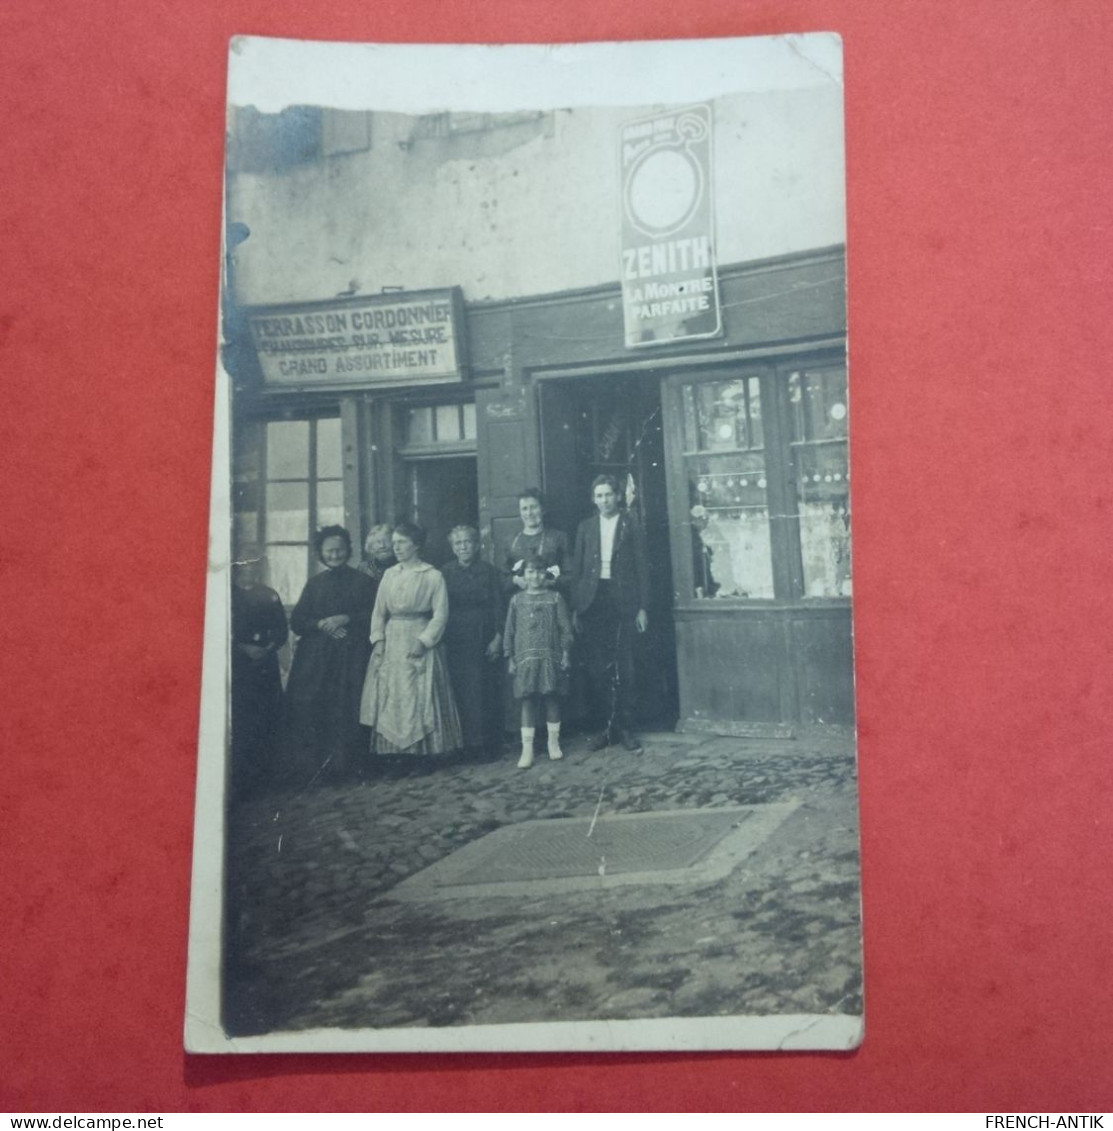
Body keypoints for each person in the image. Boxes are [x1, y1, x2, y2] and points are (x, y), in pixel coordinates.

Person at [276, 526, 375, 787]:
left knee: (347, 709)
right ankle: (314, 769)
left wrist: (347, 618)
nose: (335, 554)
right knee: (312, 708)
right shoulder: (314, 584)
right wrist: (320, 624)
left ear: (348, 550)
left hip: (350, 658)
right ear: (321, 553)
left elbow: (375, 616)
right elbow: (297, 621)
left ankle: (349, 767)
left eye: (340, 549)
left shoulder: (364, 582)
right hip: (316, 661)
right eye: (329, 550)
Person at [360, 522, 463, 763]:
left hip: (418, 636)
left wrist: (424, 641)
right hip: (393, 638)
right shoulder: (389, 574)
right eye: (393, 543)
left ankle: (423, 756)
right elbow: (378, 612)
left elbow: (440, 614)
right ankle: (396, 756)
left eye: (401, 542)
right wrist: (378, 640)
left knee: (418, 695)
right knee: (393, 696)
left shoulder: (432, 575)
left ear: (416, 545)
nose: (395, 547)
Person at [570, 474, 650, 753]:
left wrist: (642, 607)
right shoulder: (585, 527)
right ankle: (605, 728)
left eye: (608, 495)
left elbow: (642, 567)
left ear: (617, 496)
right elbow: (577, 571)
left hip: (623, 601)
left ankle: (625, 727)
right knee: (597, 668)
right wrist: (577, 608)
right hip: (593, 602)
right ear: (594, 499)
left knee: (624, 667)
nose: (604, 500)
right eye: (599, 496)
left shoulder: (630, 523)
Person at [503, 551, 574, 769]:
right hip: (525, 658)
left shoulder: (555, 598)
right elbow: (510, 630)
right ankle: (527, 749)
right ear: (523, 575)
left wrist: (565, 653)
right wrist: (510, 657)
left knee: (552, 697)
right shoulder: (516, 600)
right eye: (531, 572)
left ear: (547, 574)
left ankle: (553, 742)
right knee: (527, 700)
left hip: (550, 656)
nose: (535, 577)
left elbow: (565, 629)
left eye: (540, 572)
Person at [441, 525, 505, 760]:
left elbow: (499, 606)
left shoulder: (489, 572)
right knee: (460, 691)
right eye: (458, 544)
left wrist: (498, 638)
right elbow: (440, 607)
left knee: (484, 691)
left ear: (477, 545)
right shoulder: (445, 572)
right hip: (456, 637)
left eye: (467, 542)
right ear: (453, 548)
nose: (463, 547)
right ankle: (464, 745)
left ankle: (486, 746)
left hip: (483, 635)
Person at [230, 550, 288, 799]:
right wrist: (243, 648)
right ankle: (242, 779)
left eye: (253, 566)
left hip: (265, 666)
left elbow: (281, 631)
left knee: (268, 717)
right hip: (238, 667)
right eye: (243, 567)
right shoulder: (227, 595)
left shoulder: (269, 595)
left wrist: (267, 649)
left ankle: (268, 778)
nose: (248, 571)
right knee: (243, 719)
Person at [501, 488, 570, 597]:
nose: (529, 513)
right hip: (520, 601)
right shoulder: (510, 541)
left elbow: (570, 574)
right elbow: (502, 577)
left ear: (543, 509)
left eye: (533, 507)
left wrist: (550, 582)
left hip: (551, 599)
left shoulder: (558, 538)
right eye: (524, 509)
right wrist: (515, 580)